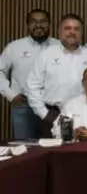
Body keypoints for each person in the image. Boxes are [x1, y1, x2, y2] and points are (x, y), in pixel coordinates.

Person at [26, 14, 87, 138]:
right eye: (67, 28)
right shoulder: (46, 55)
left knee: (82, 149)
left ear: (82, 32)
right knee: (52, 149)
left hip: (84, 114)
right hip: (53, 114)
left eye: (76, 29)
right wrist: (44, 113)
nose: (72, 32)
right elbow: (32, 86)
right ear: (59, 31)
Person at [0, 9, 59, 140]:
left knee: (52, 146)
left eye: (43, 21)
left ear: (49, 24)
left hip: (52, 107)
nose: (38, 25)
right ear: (27, 24)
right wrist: (10, 95)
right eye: (33, 21)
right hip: (23, 106)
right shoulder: (14, 47)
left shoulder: (59, 46)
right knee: (25, 147)